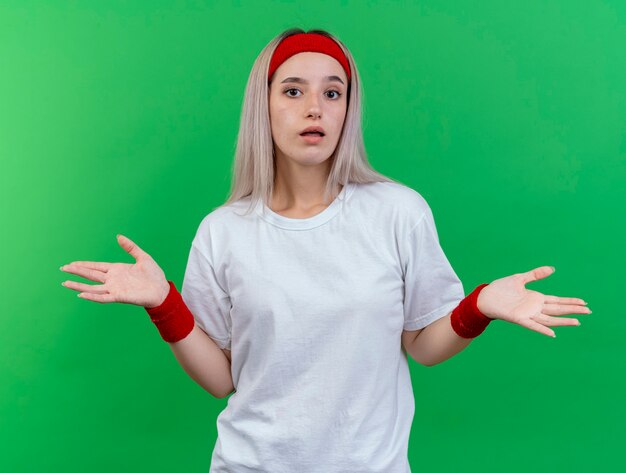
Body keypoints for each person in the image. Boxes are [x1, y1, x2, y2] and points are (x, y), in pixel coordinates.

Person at [59, 28, 591, 473]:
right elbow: (222, 379)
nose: (314, 107)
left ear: (347, 110)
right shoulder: (224, 231)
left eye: (332, 93)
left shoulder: (397, 211)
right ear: (263, 106)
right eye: (292, 91)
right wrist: (163, 303)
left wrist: (479, 306)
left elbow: (424, 348)